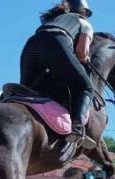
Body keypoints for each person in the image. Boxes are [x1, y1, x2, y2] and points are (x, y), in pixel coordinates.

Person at [20, 0, 95, 147]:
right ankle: (78, 128)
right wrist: (86, 59)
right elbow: (81, 54)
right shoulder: (84, 23)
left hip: (31, 44)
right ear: (84, 12)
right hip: (56, 42)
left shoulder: (54, 19)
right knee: (86, 88)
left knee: (25, 91)